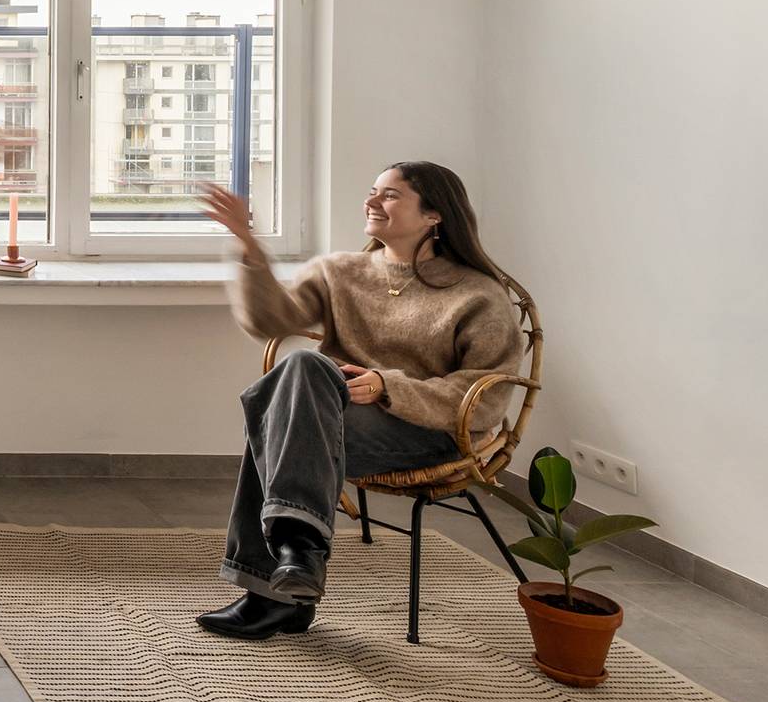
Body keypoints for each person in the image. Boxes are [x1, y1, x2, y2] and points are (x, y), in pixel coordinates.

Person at [195, 162, 528, 639]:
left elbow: (487, 400)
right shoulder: (341, 272)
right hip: (333, 424)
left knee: (276, 413)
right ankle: (296, 558)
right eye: (373, 191)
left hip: (431, 433)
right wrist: (247, 244)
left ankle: (278, 585)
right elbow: (269, 322)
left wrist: (387, 386)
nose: (371, 202)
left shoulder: (478, 294)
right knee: (302, 368)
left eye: (390, 195)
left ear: (434, 214)